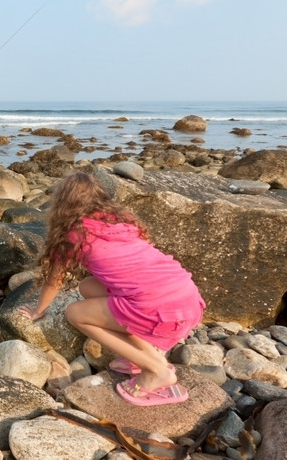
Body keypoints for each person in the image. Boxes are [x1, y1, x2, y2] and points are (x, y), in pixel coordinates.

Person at [18, 172, 205, 406]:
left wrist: (38, 311)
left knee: (75, 313)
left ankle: (156, 369)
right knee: (88, 287)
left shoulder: (72, 234)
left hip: (160, 309)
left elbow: (54, 280)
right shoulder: (121, 221)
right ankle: (144, 355)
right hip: (187, 297)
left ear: (63, 204)